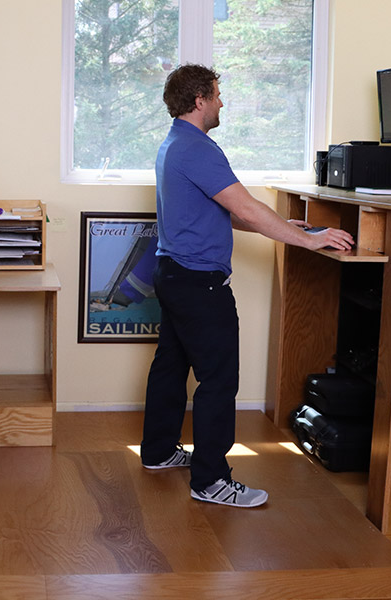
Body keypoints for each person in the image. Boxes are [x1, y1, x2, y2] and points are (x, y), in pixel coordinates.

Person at [140, 64, 354, 508]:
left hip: (174, 274)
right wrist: (308, 239)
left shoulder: (175, 144)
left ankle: (158, 451)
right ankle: (211, 481)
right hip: (199, 283)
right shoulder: (197, 148)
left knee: (170, 366)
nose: (222, 102)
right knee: (219, 379)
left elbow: (226, 212)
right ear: (199, 100)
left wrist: (284, 226)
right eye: (217, 95)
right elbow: (250, 209)